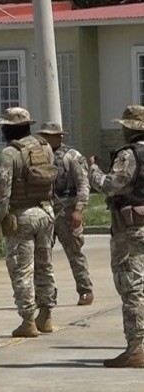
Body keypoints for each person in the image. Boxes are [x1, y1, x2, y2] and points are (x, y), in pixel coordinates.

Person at [0, 107, 58, 338]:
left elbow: (2, 193)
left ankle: (28, 321)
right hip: (46, 212)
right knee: (45, 266)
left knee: (22, 269)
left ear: (9, 129)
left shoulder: (10, 153)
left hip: (22, 216)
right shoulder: (45, 147)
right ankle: (46, 317)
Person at [88, 105, 144, 368]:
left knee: (132, 287)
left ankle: (137, 349)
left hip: (131, 230)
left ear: (128, 128)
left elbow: (111, 186)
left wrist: (93, 172)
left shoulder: (128, 155)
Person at [37, 121, 94, 306]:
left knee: (74, 251)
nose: (46, 139)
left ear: (60, 137)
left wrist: (79, 209)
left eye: (50, 135)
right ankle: (44, 293)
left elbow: (83, 185)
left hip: (67, 207)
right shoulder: (39, 156)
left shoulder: (72, 156)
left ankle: (85, 289)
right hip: (45, 208)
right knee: (42, 253)